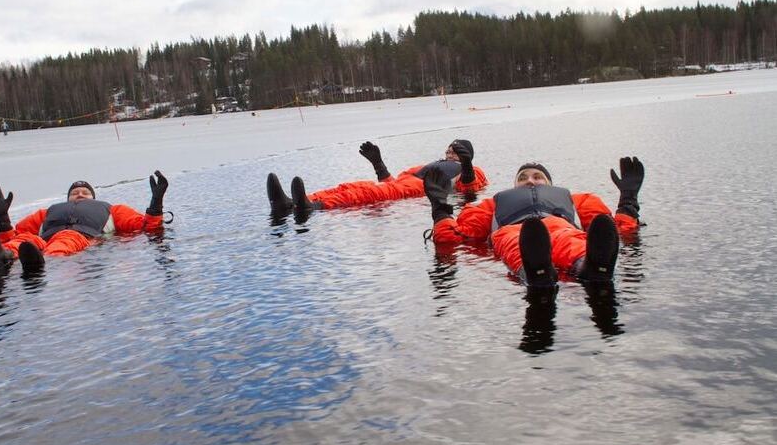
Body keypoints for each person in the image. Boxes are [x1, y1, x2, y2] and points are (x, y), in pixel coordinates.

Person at [422, 157, 644, 289]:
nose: (530, 180)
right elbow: (455, 237)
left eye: (537, 176)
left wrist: (628, 201)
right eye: (523, 177)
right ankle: (534, 271)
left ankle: (590, 266)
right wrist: (440, 208)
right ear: (514, 185)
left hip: (561, 225)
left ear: (550, 184)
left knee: (571, 240)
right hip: (513, 230)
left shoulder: (576, 200)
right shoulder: (491, 204)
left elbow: (612, 231)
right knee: (514, 242)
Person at [0, 171, 169, 276]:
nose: (80, 194)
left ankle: (41, 263)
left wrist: (156, 203)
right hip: (44, 238)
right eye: (75, 193)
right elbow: (18, 233)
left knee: (65, 239)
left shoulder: (112, 210)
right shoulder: (47, 212)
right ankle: (2, 256)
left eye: (85, 192)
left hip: (81, 237)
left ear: (93, 197)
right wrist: (2, 219)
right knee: (26, 240)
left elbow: (145, 227)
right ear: (68, 198)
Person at [266, 139, 488, 217]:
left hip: (419, 190)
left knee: (367, 193)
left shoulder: (471, 169)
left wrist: (467, 165)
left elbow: (470, 187)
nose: (449, 153)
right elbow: (392, 184)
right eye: (448, 150)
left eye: (455, 152)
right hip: (402, 185)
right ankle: (293, 202)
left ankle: (313, 206)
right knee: (350, 186)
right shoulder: (430, 165)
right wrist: (378, 164)